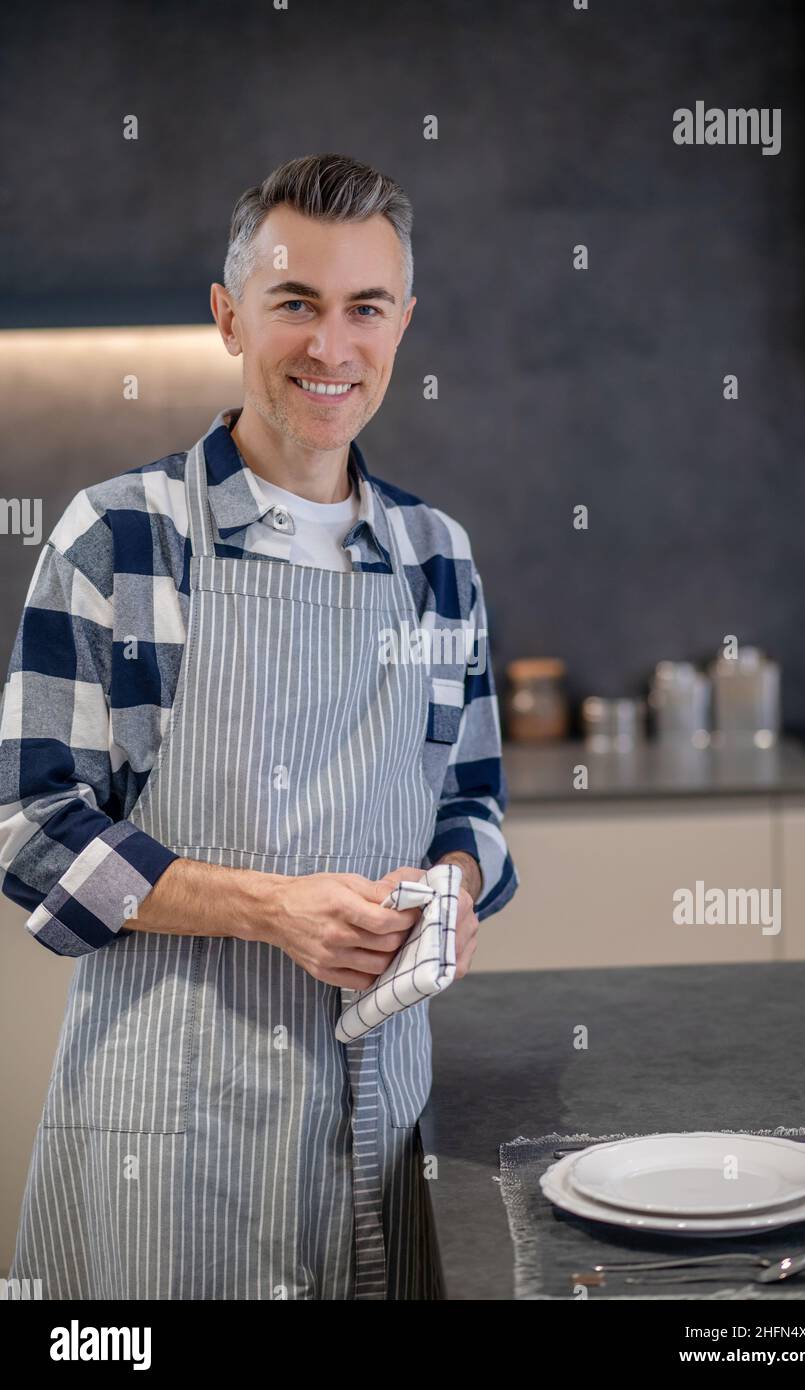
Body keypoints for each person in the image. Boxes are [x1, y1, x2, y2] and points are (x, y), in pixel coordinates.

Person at [0, 152, 518, 1300]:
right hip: (169, 1135)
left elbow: (474, 807)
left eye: (364, 309)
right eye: (296, 304)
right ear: (229, 316)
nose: (331, 348)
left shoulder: (440, 561)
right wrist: (269, 910)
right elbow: (30, 831)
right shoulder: (118, 540)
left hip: (386, 1121)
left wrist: (453, 890)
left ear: (402, 324)